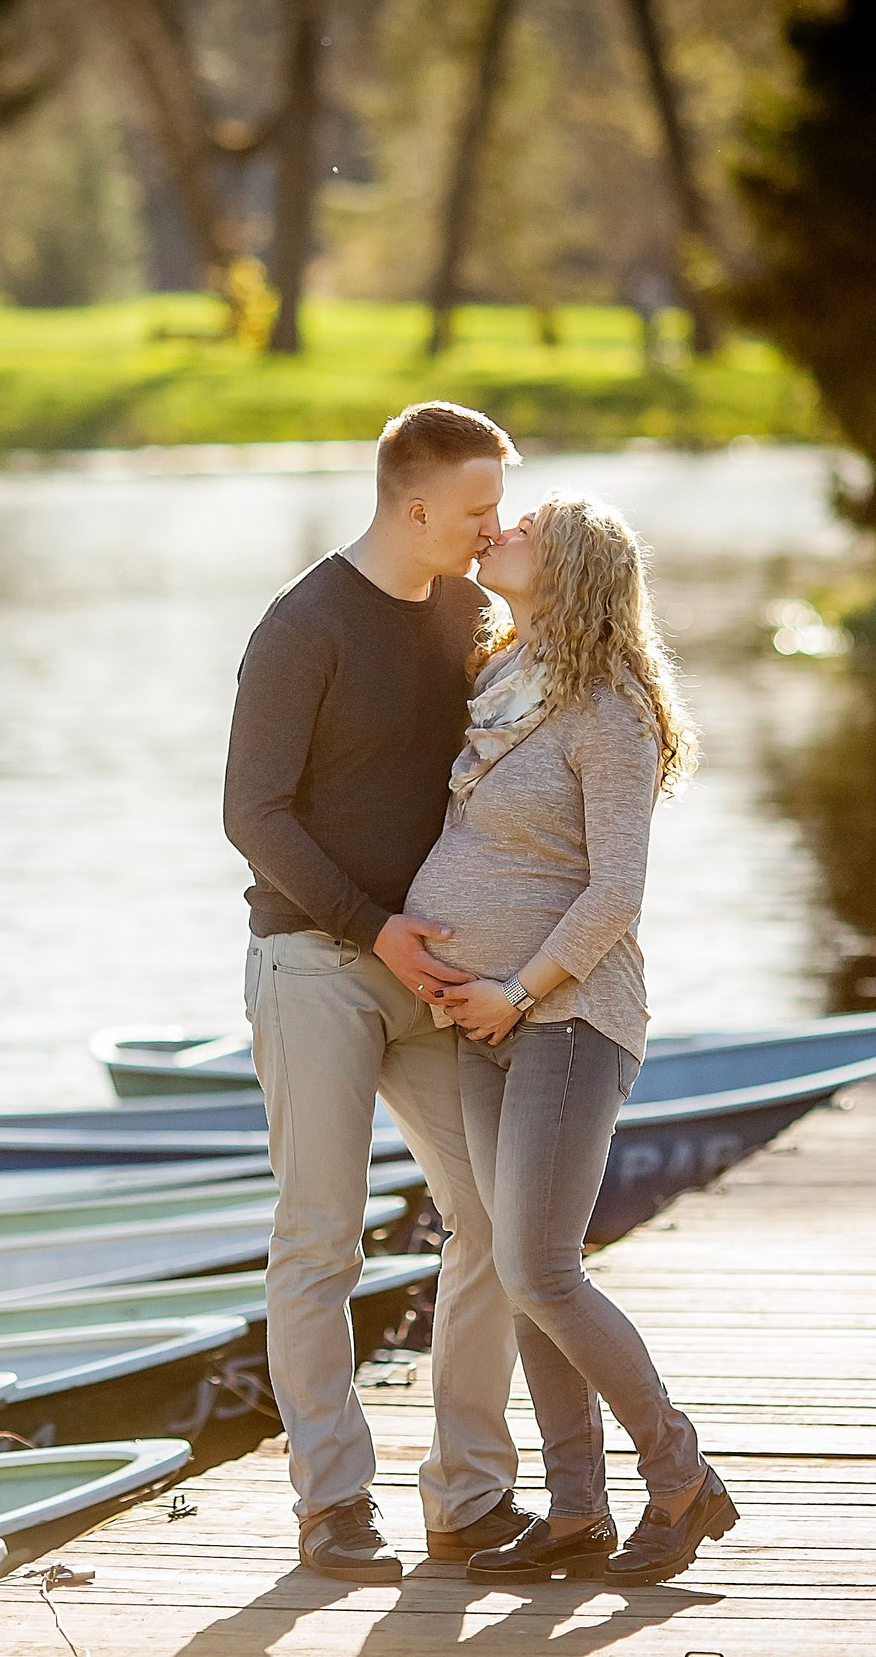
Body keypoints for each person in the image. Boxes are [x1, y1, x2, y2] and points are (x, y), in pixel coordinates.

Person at [222, 401, 539, 1582]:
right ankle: (332, 1505)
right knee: (321, 1241)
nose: (492, 527)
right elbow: (250, 815)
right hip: (316, 963)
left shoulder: (470, 612)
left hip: (439, 974)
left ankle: (467, 1496)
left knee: (500, 1224)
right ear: (414, 509)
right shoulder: (300, 628)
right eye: (475, 509)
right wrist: (373, 930)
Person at [409, 492, 737, 1586]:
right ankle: (575, 1510)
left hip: (565, 1015)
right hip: (483, 1017)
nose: (500, 530)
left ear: (577, 571)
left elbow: (616, 894)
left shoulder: (608, 710)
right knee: (516, 1273)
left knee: (541, 1272)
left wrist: (516, 986)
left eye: (526, 528)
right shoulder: (502, 684)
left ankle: (680, 1477)